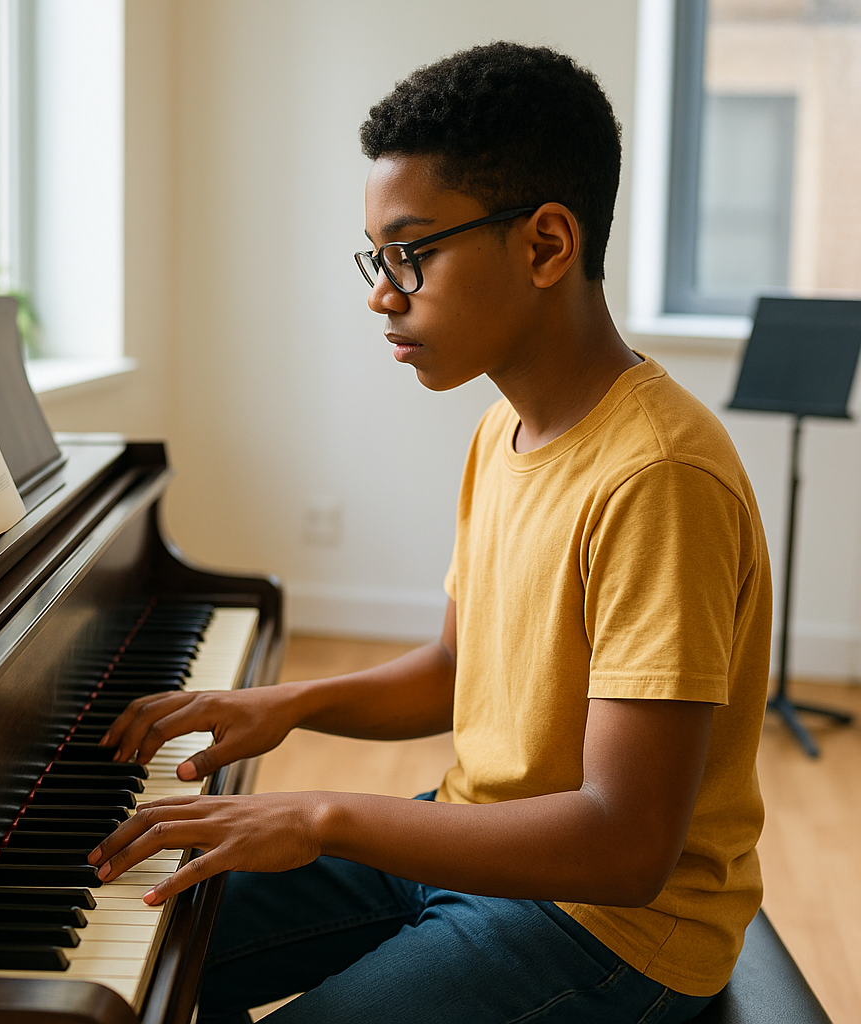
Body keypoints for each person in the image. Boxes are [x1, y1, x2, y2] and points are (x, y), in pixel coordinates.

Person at [87, 42, 772, 1023]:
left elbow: (624, 846)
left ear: (545, 245)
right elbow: (461, 665)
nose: (380, 292)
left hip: (613, 927)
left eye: (411, 252)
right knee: (143, 920)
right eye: (377, 256)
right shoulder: (504, 424)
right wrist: (287, 702)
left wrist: (321, 814)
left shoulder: (658, 475)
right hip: (471, 835)